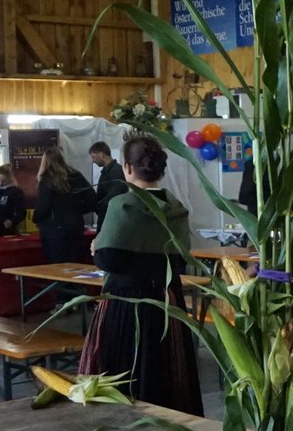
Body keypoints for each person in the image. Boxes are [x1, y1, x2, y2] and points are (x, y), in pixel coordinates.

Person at [78, 135, 203, 415]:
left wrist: (97, 247)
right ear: (159, 169)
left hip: (126, 302)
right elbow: (179, 257)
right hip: (167, 300)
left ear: (127, 167)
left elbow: (108, 259)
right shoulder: (176, 208)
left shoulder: (122, 205)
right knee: (168, 371)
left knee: (124, 373)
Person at [33, 146, 96, 264]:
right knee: (77, 264)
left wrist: (36, 218)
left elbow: (43, 206)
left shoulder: (47, 180)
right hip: (76, 227)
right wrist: (77, 210)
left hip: (54, 231)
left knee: (57, 266)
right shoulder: (76, 176)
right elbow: (92, 199)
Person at [89, 141, 126, 229]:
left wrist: (98, 206)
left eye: (93, 157)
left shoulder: (116, 171)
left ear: (101, 154)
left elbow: (115, 194)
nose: (93, 161)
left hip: (111, 220)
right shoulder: (107, 171)